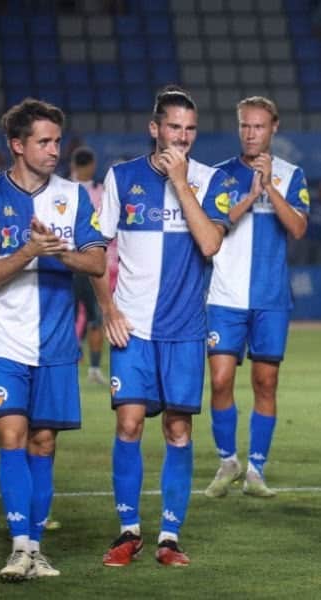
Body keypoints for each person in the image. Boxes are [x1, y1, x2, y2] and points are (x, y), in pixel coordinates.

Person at [0, 98, 106, 581]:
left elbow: (98, 262)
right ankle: (19, 547)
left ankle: (36, 548)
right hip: (4, 342)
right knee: (12, 435)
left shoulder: (73, 195)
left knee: (44, 443)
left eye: (56, 140)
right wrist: (29, 248)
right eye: (43, 141)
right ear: (17, 145)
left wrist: (58, 251)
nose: (53, 149)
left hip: (57, 344)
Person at [95, 87, 233, 569]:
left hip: (183, 330)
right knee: (129, 423)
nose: (183, 136)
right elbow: (96, 252)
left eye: (190, 128)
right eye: (174, 127)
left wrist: (180, 182)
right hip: (132, 326)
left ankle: (169, 537)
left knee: (178, 430)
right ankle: (128, 531)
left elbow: (211, 243)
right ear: (155, 129)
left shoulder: (209, 180)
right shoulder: (122, 177)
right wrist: (108, 309)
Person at [204, 96, 309, 499]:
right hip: (225, 296)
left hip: (270, 298)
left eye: (259, 127)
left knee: (266, 383)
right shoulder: (220, 176)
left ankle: (255, 470)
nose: (251, 133)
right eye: (245, 126)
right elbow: (213, 228)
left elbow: (298, 229)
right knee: (220, 379)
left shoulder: (290, 174)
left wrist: (269, 190)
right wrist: (248, 196)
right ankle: (228, 460)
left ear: (273, 128)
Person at [68, 146, 106, 385]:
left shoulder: (63, 190)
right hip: (80, 263)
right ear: (90, 165)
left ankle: (86, 367)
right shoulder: (69, 191)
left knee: (90, 317)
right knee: (92, 317)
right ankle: (91, 367)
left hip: (75, 263)